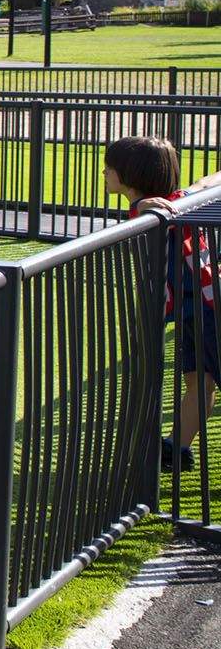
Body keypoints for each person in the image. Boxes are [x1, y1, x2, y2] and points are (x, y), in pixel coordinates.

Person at [105, 136, 220, 472]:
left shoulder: (156, 210)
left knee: (204, 379)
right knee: (200, 380)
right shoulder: (178, 200)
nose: (105, 172)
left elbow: (148, 209)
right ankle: (177, 448)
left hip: (206, 309)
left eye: (110, 167)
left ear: (131, 174)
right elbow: (205, 182)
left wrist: (145, 208)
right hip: (195, 311)